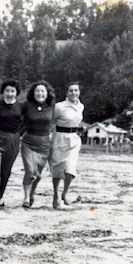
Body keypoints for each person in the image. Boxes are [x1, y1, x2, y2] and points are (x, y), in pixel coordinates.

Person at [0, 79, 23, 207]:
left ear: (16, 93)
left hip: (13, 140)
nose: (10, 93)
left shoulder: (21, 106)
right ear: (3, 92)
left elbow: (26, 122)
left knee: (6, 170)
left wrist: (19, 134)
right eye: (7, 90)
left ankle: (0, 197)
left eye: (12, 91)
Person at [20, 80, 55, 208]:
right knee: (30, 171)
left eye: (42, 91)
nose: (40, 93)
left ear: (47, 93)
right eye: (37, 91)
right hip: (28, 142)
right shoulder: (26, 105)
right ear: (33, 93)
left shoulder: (52, 106)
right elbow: (14, 114)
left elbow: (58, 121)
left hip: (44, 144)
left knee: (37, 175)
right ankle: (26, 198)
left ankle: (31, 194)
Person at [50, 81, 84, 209]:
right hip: (59, 139)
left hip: (74, 140)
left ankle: (65, 194)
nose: (74, 93)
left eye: (76, 90)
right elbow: (51, 121)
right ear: (66, 92)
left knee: (70, 169)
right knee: (58, 169)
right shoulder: (59, 106)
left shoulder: (81, 106)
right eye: (71, 90)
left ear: (79, 92)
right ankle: (55, 194)